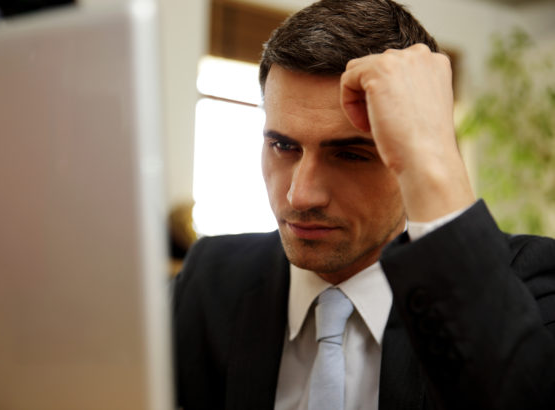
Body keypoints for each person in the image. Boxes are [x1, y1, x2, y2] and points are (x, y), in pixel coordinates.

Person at [173, 0, 555, 409]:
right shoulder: (210, 279)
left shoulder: (527, 283)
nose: (300, 195)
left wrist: (433, 159)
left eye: (351, 154)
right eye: (283, 145)